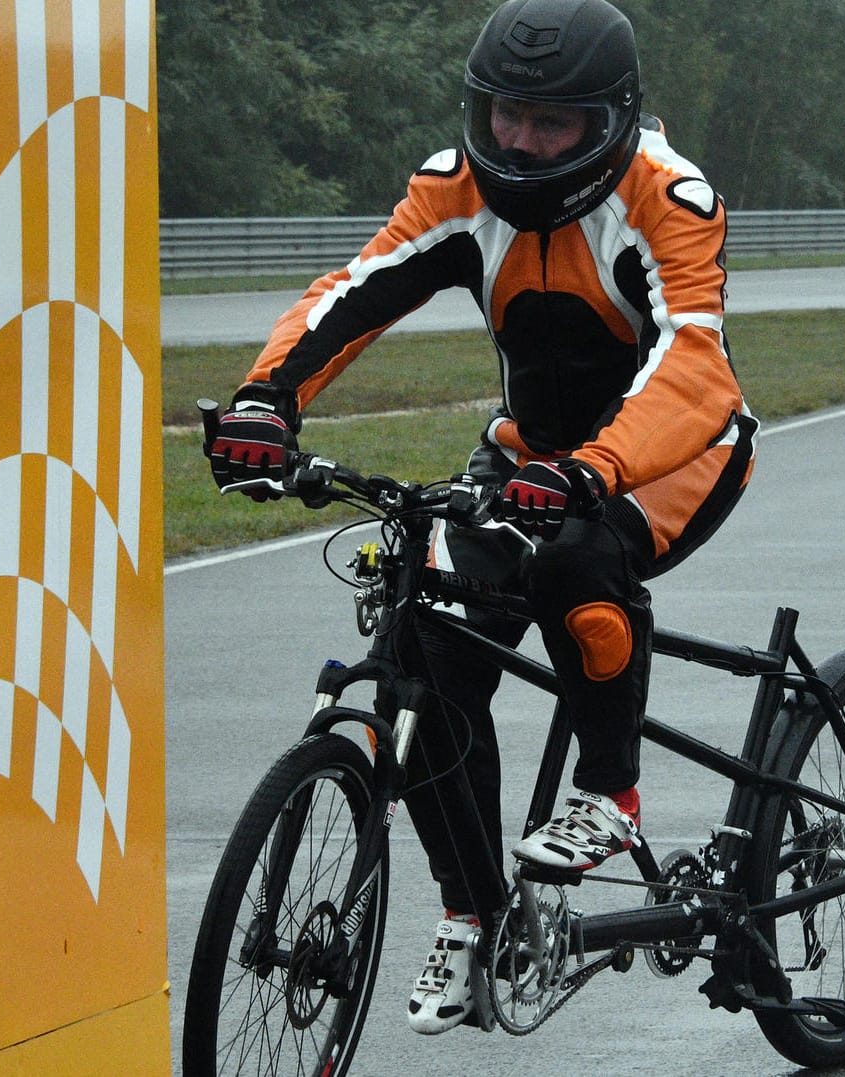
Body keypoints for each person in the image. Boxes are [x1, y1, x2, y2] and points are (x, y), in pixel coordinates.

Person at [206, 0, 757, 1036]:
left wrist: (594, 469)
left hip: (672, 453)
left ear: (606, 120)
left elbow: (696, 363)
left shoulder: (664, 198)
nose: (519, 142)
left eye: (550, 124)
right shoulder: (457, 190)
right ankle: (473, 915)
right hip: (525, 461)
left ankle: (609, 794)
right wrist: (262, 402)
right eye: (506, 115)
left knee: (573, 569)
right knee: (428, 663)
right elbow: (354, 293)